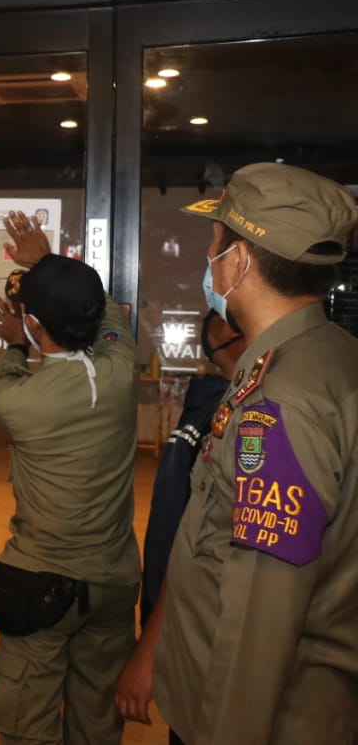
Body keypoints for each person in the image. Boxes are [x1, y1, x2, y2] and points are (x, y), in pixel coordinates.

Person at [153, 162, 358, 744]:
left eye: (216, 242)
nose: (209, 257)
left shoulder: (280, 401)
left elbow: (259, 623)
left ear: (239, 261)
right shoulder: (331, 355)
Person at [0, 211, 140, 745]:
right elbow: (108, 314)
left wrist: (14, 344)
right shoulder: (120, 370)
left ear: (33, 323)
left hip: (42, 584)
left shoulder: (17, 400)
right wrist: (49, 263)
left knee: (26, 722)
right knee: (97, 722)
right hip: (114, 582)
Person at [114, 310, 246, 735]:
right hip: (195, 621)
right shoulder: (218, 415)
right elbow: (189, 541)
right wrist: (152, 644)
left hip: (206, 625)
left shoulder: (220, 410)